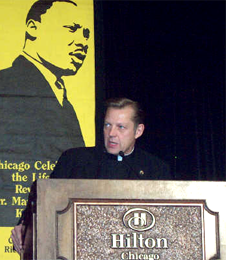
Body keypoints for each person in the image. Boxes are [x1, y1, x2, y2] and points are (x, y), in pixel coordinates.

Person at [11, 97, 172, 254]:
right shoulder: (75, 160)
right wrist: (25, 225)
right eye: (107, 125)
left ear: (138, 131)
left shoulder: (155, 169)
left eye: (121, 127)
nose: (111, 133)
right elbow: (43, 200)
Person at [0, 0, 90, 226]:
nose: (82, 42)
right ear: (33, 27)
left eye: (86, 34)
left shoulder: (64, 100)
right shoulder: (0, 86)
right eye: (71, 28)